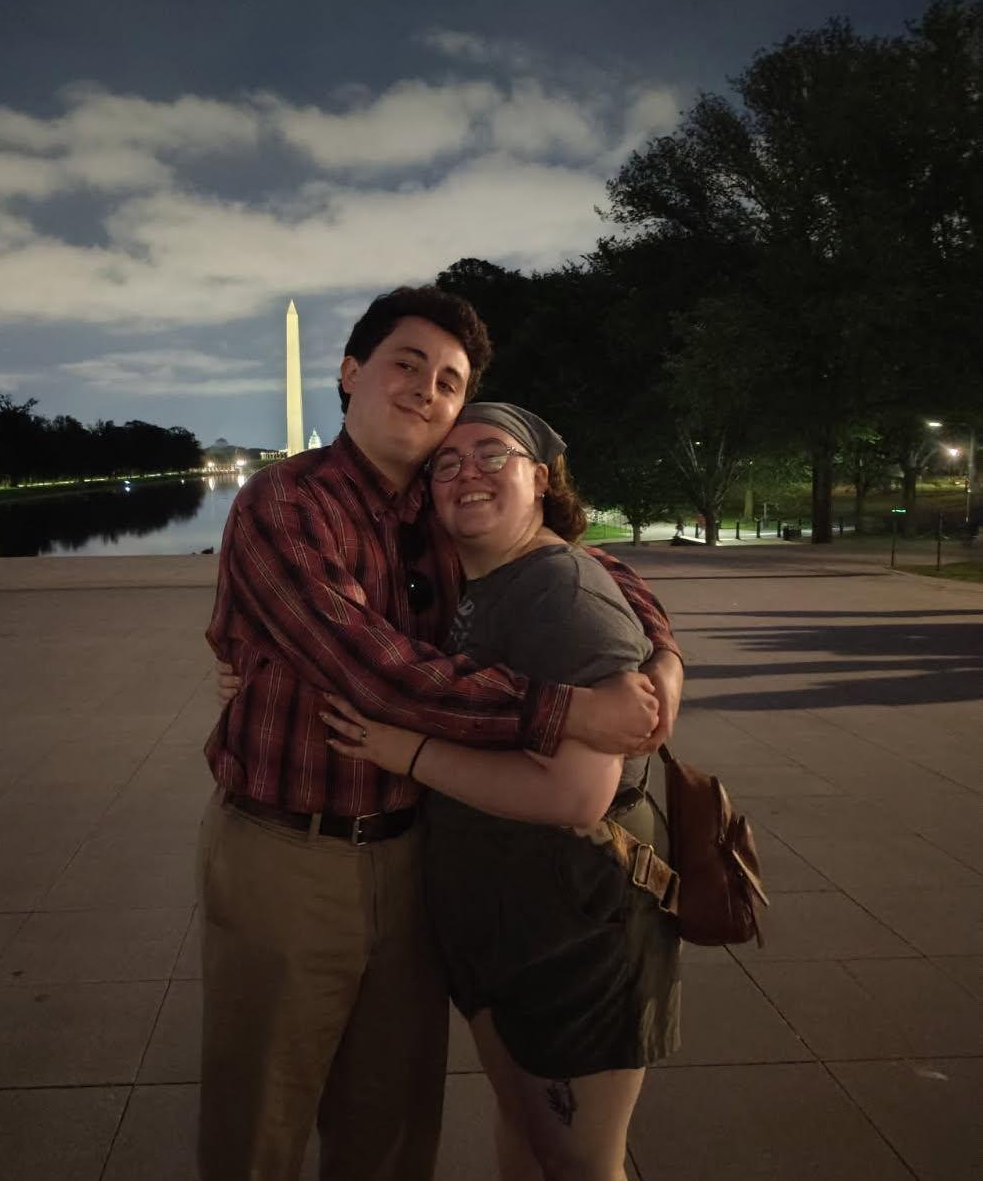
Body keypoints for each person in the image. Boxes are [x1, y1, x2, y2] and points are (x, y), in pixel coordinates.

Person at [201, 286, 682, 1181]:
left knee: (392, 1120)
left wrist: (660, 656)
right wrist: (573, 707)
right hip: (289, 851)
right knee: (261, 1117)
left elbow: (578, 555)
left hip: (415, 854)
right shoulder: (284, 501)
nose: (429, 390)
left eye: (452, 382)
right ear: (350, 374)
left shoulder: (435, 509)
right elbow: (373, 670)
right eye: (407, 365)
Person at [320, 403, 680, 1181]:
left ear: (541, 480)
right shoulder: (485, 579)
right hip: (503, 921)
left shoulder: (560, 589)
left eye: (493, 456)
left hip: (577, 924)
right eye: (445, 465)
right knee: (522, 1132)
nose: (466, 474)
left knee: (579, 1161)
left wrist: (406, 751)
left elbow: (579, 794)